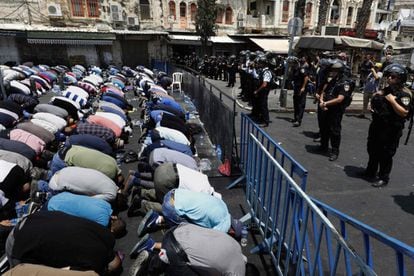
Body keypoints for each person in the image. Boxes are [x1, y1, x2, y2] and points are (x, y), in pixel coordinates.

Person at [6, 211, 122, 275]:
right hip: (19, 243)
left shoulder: (107, 236)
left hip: (35, 219)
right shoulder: (93, 264)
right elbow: (65, 271)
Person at [362, 64, 412, 187]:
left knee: (386, 154)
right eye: (388, 76)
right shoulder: (386, 90)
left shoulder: (404, 94)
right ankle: (370, 171)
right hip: (378, 125)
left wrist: (392, 100)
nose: (389, 78)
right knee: (372, 148)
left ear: (400, 78)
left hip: (391, 129)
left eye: (393, 76)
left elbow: (404, 112)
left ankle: (383, 178)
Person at [129, 223, 246, 275]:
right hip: (177, 251)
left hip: (176, 231)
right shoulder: (237, 273)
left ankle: (154, 254)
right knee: (181, 266)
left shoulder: (235, 245)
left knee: (184, 257)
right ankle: (150, 264)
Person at [319, 60, 353, 161]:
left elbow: (340, 99)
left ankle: (334, 151)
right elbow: (324, 92)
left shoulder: (345, 83)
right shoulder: (333, 80)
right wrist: (322, 101)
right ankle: (323, 146)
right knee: (324, 128)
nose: (332, 72)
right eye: (332, 70)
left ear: (340, 71)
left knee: (335, 131)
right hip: (327, 108)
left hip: (336, 110)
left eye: (335, 70)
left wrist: (325, 103)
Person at [253, 56, 272, 127]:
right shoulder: (262, 70)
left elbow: (264, 84)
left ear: (263, 63)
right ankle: (261, 119)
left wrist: (257, 91)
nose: (259, 64)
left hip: (264, 91)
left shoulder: (267, 72)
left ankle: (265, 121)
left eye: (260, 63)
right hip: (261, 91)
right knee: (260, 105)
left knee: (264, 106)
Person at [292, 56, 310, 127]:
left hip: (301, 88)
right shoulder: (296, 68)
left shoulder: (303, 69)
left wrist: (303, 87)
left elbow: (306, 77)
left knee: (300, 104)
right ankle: (296, 118)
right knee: (295, 103)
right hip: (296, 87)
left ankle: (299, 120)